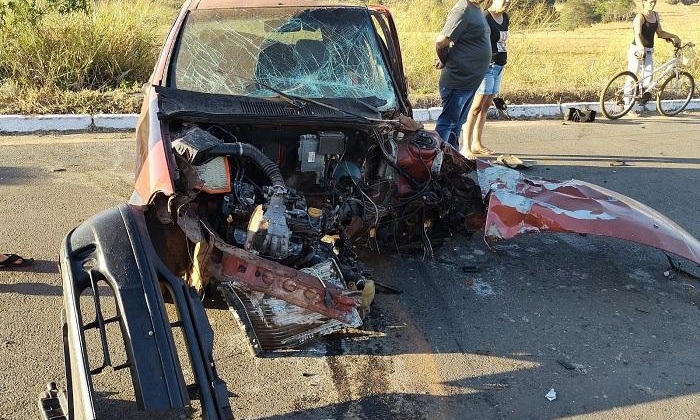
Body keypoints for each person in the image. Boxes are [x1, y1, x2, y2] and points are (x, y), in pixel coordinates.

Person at [434, 0, 491, 150]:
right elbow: (441, 42)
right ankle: (436, 159)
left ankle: (452, 158)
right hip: (458, 80)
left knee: (457, 124)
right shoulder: (463, 9)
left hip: (470, 82)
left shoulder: (476, 8)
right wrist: (444, 60)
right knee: (448, 122)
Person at [461, 0, 511, 159]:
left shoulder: (505, 17)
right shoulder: (485, 18)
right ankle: (465, 147)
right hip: (486, 68)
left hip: (499, 67)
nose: (507, 1)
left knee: (486, 107)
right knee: (475, 107)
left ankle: (477, 143)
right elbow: (472, 42)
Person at [627, 0, 681, 106]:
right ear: (644, 2)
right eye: (650, 2)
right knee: (632, 76)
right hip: (637, 50)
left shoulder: (655, 15)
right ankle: (626, 104)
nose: (653, 4)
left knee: (648, 78)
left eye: (654, 2)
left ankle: (640, 103)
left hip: (649, 51)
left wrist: (674, 36)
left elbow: (660, 33)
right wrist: (641, 48)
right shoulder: (640, 17)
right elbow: (637, 34)